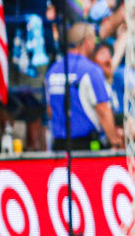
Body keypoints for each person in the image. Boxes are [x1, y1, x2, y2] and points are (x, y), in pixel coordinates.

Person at [46, 22, 123, 151]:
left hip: (58, 146)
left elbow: (50, 110)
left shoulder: (52, 71)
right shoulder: (91, 71)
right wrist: (114, 140)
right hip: (86, 146)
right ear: (87, 42)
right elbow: (103, 109)